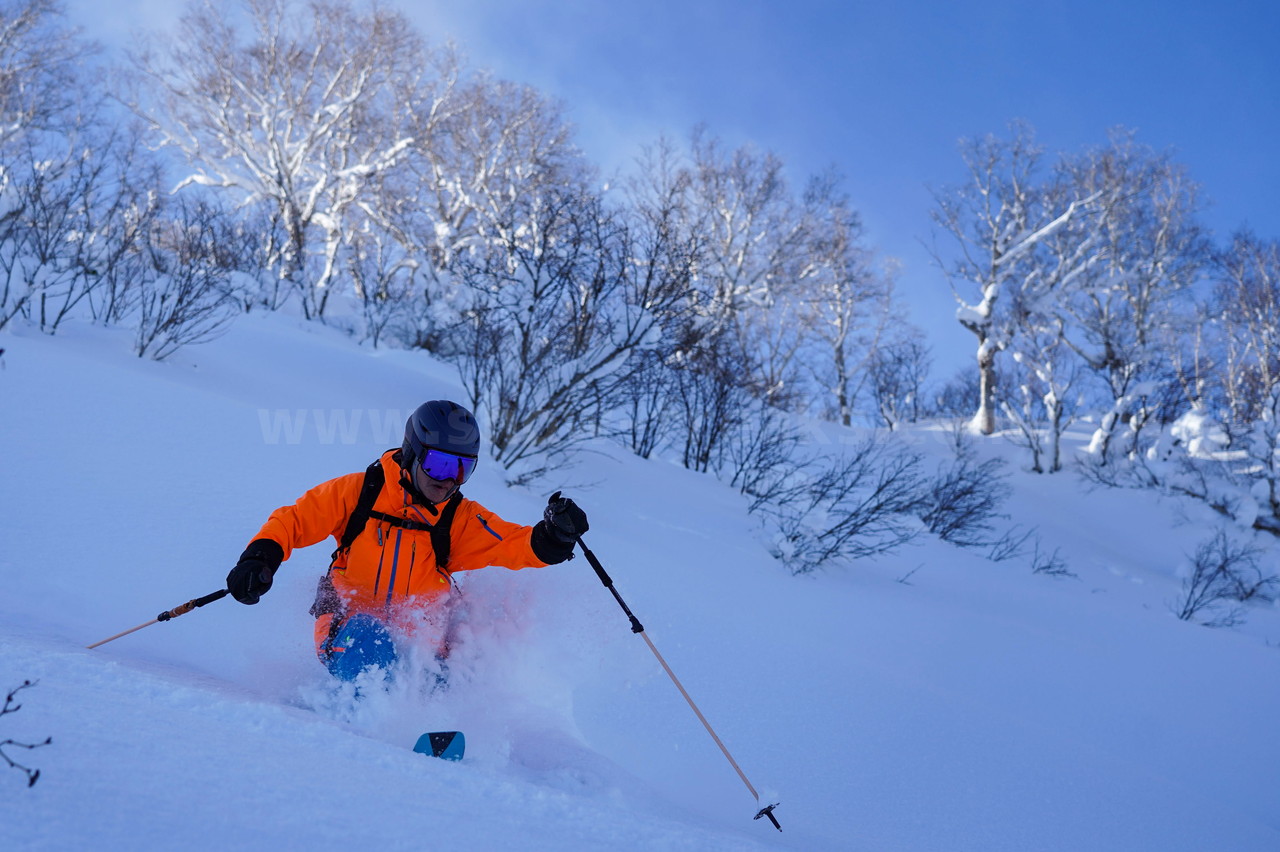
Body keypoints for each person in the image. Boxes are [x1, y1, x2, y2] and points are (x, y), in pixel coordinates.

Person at [225, 400, 588, 682]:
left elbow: (516, 544)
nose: (448, 480)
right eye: (441, 464)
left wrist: (554, 537)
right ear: (413, 451)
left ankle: (439, 732)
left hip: (421, 647)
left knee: (471, 646)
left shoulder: (458, 517)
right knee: (371, 640)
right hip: (348, 630)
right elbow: (293, 520)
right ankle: (373, 727)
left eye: (462, 469)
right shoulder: (360, 493)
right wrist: (259, 559)